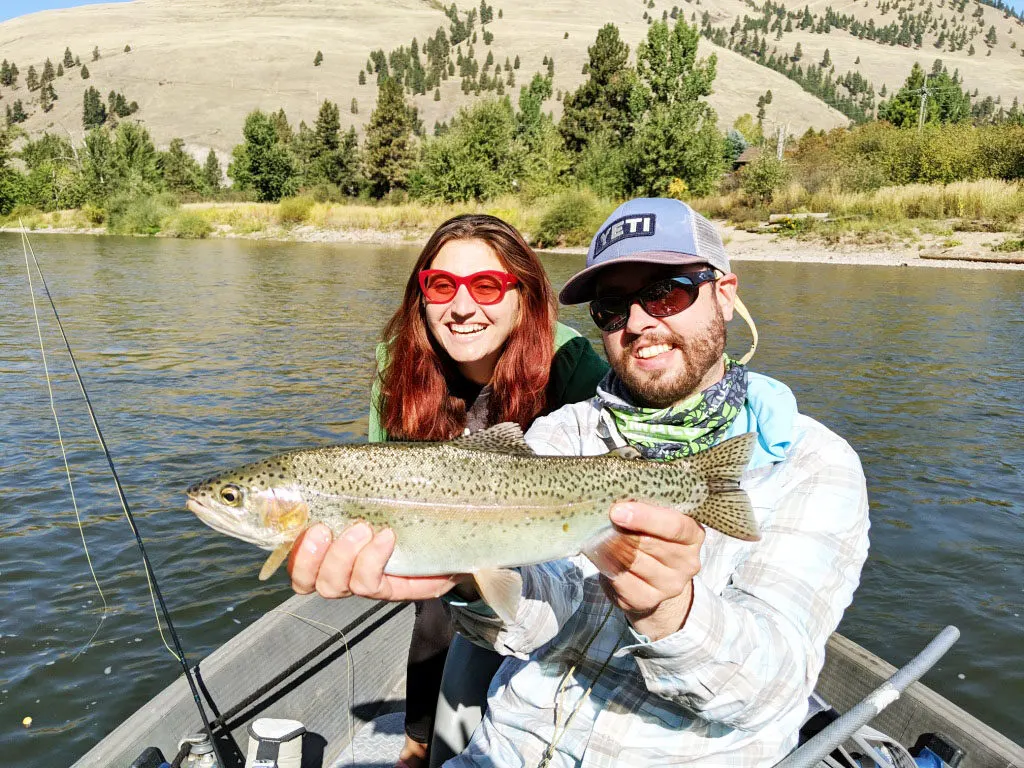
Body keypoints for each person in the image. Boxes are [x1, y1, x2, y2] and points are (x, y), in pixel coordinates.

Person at [290, 199, 871, 767]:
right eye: (613, 306)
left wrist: (672, 610)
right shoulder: (564, 433)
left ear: (724, 293)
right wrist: (466, 572)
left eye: (667, 291)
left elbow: (770, 691)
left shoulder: (812, 463)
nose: (639, 322)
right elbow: (544, 610)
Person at [360, 213, 608, 768]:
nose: (463, 307)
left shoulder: (569, 362)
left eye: (487, 286)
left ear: (525, 297)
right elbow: (381, 473)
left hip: (551, 533)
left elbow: (633, 422)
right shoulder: (397, 363)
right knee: (433, 612)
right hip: (443, 534)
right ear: (421, 296)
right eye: (442, 286)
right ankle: (419, 742)